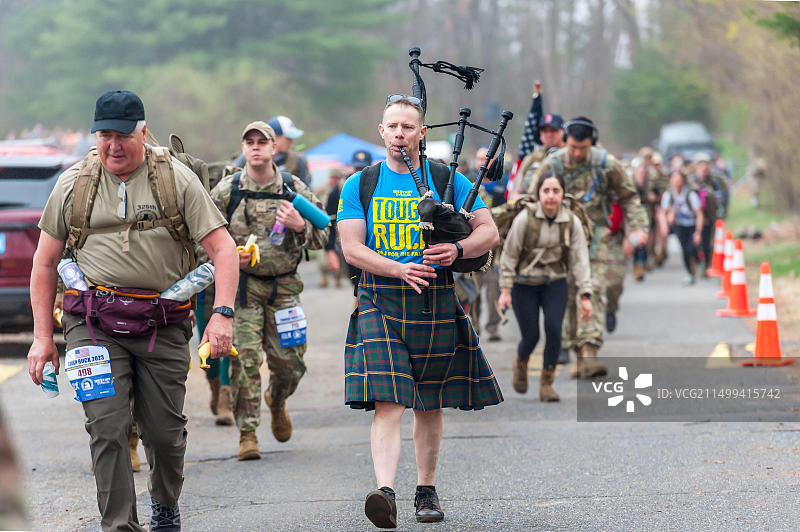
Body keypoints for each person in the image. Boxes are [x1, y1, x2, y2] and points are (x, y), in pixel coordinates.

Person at [27, 90, 238, 532]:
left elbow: (224, 250)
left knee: (164, 433)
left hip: (162, 322)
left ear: (143, 132)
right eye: (104, 135)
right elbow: (45, 262)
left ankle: (164, 502)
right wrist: (43, 337)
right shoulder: (73, 184)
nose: (113, 146)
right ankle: (119, 525)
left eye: (123, 135)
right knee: (107, 427)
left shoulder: (176, 179)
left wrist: (222, 314)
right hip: (92, 323)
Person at [337, 95, 503, 528]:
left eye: (408, 127)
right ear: (381, 130)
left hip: (434, 300)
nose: (399, 134)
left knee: (429, 403)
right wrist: (398, 269)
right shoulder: (361, 184)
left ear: (422, 132)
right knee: (389, 401)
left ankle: (425, 490)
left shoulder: (448, 178)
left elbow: (490, 231)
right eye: (392, 126)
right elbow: (351, 248)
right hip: (380, 300)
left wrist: (458, 248)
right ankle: (385, 492)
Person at [210, 121, 328, 460]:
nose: (257, 147)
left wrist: (300, 225)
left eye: (263, 141)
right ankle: (247, 434)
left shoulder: (293, 188)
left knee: (290, 363)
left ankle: (277, 399)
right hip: (243, 291)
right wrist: (230, 256)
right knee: (244, 360)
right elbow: (202, 242)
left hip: (284, 290)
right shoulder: (226, 191)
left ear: (275, 148)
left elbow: (325, 233)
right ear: (243, 148)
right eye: (250, 142)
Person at [529, 117, 649, 379]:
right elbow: (532, 199)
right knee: (568, 294)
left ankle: (588, 353)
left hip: (598, 236)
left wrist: (639, 227)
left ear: (591, 143)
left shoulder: (607, 164)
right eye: (572, 147)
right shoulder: (554, 164)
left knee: (592, 289)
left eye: (582, 148)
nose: (577, 153)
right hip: (561, 238)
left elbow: (629, 197)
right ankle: (577, 352)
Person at [498, 171, 592, 401]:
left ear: (563, 193)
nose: (551, 196)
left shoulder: (571, 221)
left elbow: (580, 259)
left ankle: (546, 384)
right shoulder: (525, 219)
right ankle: (521, 362)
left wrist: (585, 294)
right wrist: (506, 290)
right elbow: (509, 255)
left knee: (553, 330)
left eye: (556, 191)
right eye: (546, 191)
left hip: (555, 282)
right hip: (524, 283)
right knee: (530, 336)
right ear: (538, 194)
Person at [470, 146, 503, 342]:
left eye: (486, 158)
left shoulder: (502, 185)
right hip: (474, 247)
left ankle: (493, 327)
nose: (483, 162)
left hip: (496, 248)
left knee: (494, 288)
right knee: (473, 289)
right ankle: (474, 325)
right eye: (479, 158)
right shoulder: (468, 184)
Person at [234, 115, 310, 186]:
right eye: (288, 138)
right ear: (275, 137)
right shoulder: (248, 157)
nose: (292, 142)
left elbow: (307, 192)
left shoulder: (296, 160)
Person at [659, 170, 704, 285]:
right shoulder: (669, 194)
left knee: (692, 248)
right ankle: (690, 273)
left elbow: (699, 214)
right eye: (674, 180)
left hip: (692, 225)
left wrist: (698, 232)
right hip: (679, 225)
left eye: (678, 180)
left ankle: (699, 262)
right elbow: (662, 212)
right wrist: (664, 225)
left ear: (683, 181)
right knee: (684, 250)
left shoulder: (690, 195)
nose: (676, 183)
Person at [689, 152, 727, 275]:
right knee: (693, 243)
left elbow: (721, 197)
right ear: (696, 166)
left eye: (706, 164)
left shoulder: (714, 181)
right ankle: (697, 262)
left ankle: (706, 264)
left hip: (709, 216)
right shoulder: (690, 181)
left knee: (707, 242)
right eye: (701, 164)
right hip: (692, 217)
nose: (704, 167)